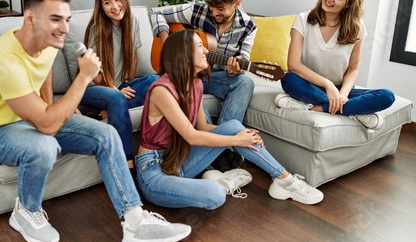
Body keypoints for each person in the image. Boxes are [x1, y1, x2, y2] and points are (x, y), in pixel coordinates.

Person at [0, 0, 191, 242]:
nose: (64, 28)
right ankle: (26, 211)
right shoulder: (4, 61)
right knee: (46, 145)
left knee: (107, 134)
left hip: (36, 116)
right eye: (55, 19)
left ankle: (135, 223)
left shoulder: (48, 41)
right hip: (4, 129)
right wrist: (84, 77)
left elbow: (45, 73)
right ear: (30, 18)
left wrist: (51, 102)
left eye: (66, 19)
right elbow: (47, 124)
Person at [135, 29, 324, 209]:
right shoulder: (161, 90)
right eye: (200, 46)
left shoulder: (196, 84)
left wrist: (241, 134)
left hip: (179, 161)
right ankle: (221, 183)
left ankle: (285, 180)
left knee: (234, 125)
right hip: (154, 171)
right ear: (184, 54)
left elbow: (203, 127)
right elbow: (192, 136)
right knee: (215, 194)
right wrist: (236, 140)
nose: (206, 51)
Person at [150, 0, 255, 172]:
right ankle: (221, 151)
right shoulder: (197, 10)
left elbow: (243, 59)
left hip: (217, 77)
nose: (214, 12)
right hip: (192, 75)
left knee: (245, 82)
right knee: (193, 84)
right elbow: (156, 13)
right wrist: (167, 41)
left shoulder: (248, 26)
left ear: (237, 3)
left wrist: (236, 65)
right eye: (212, 7)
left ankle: (221, 145)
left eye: (220, 8)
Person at [274, 0, 395, 129]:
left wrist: (342, 95)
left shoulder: (356, 28)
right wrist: (328, 86)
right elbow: (294, 65)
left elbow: (353, 69)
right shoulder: (303, 20)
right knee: (288, 78)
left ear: (348, 4)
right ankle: (353, 111)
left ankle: (317, 107)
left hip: (339, 90)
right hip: (309, 86)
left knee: (387, 96)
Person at [80, 0, 158, 169]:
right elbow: (94, 73)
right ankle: (127, 163)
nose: (114, 6)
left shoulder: (133, 22)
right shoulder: (96, 29)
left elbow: (133, 58)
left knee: (156, 81)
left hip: (119, 86)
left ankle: (100, 113)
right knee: (116, 98)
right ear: (102, 7)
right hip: (93, 88)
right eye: (107, 3)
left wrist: (128, 84)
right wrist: (115, 90)